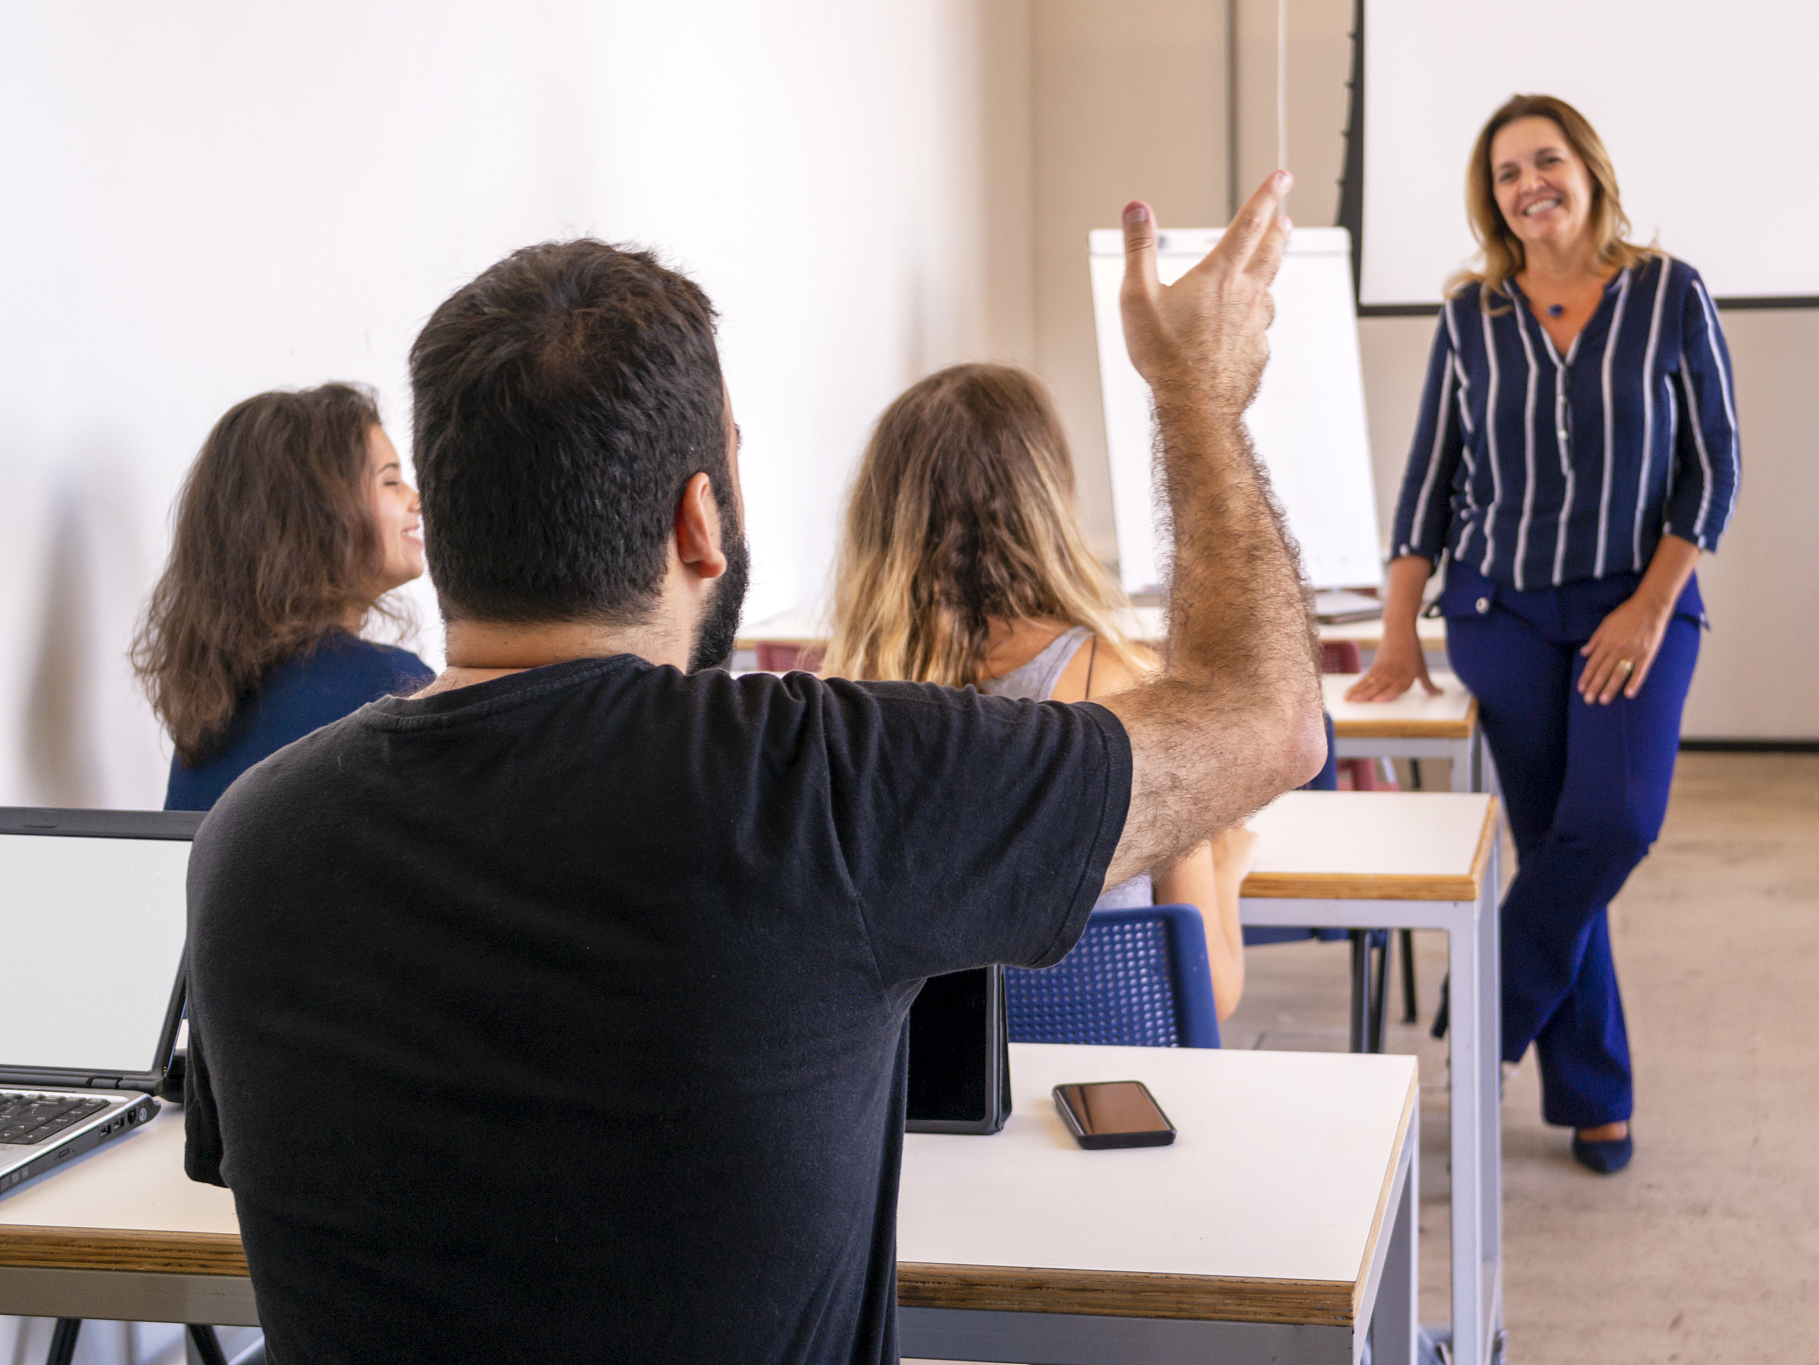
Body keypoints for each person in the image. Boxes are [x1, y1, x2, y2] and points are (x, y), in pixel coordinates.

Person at [183, 171, 1322, 1364]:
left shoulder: (251, 841)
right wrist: (1196, 397)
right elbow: (1267, 722)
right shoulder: (824, 786)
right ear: (698, 521)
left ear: (454, 522)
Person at [1348, 95, 1739, 1175]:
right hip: (1502, 612)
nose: (1529, 184)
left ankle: (1479, 1019)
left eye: (1545, 161)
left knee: (1606, 828)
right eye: (1506, 172)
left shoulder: (1666, 292)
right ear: (1493, 199)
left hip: (1636, 608)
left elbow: (1712, 468)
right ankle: (1593, 1094)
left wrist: (1649, 604)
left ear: (1586, 170)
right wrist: (1394, 639)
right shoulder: (1470, 316)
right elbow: (1426, 486)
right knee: (1559, 847)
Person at [824, 362, 1256, 1018]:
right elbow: (1207, 988)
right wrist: (1225, 862)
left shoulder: (844, 707)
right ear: (1050, 502)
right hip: (1096, 1080)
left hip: (926, 1097)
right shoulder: (1133, 693)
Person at [131, 383, 431, 811]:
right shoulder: (390, 688)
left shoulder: (207, 722)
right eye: (391, 481)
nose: (416, 500)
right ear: (320, 515)